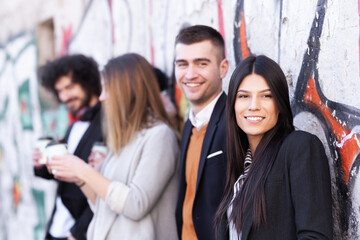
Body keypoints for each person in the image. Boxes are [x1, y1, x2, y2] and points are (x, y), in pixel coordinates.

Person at [49, 53, 179, 240]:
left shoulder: (160, 136)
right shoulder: (123, 137)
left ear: (128, 91)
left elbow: (136, 205)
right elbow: (103, 205)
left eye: (107, 89)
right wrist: (80, 179)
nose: (102, 98)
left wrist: (84, 171)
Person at [215, 55, 333, 239]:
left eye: (266, 96)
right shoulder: (239, 166)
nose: (253, 106)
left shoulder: (300, 147)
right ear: (233, 105)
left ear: (279, 104)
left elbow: (315, 236)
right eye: (244, 96)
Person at [33, 54, 103, 240]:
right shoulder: (74, 125)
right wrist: (41, 166)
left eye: (69, 87)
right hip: (57, 228)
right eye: (60, 91)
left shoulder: (107, 123)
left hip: (79, 231)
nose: (64, 97)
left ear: (88, 82)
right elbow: (64, 173)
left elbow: (106, 187)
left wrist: (78, 233)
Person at [174, 25, 229, 240]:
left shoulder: (235, 124)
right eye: (182, 64)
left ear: (223, 68)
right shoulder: (189, 124)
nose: (190, 74)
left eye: (201, 63)